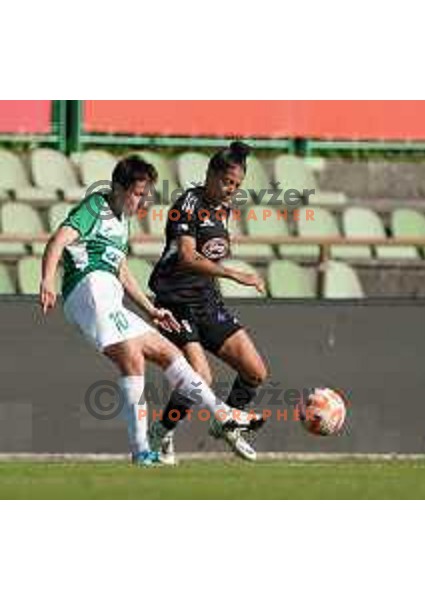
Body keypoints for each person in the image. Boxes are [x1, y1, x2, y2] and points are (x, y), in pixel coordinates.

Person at [40, 155, 263, 466]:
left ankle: (211, 417)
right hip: (89, 290)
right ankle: (144, 447)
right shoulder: (95, 207)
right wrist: (48, 279)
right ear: (118, 188)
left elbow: (121, 270)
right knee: (133, 357)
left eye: (146, 195)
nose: (142, 201)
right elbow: (58, 241)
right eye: (137, 193)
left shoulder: (122, 221)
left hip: (108, 295)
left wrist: (150, 310)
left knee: (168, 353)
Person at [147, 141, 269, 463]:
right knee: (201, 377)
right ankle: (162, 432)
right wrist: (233, 274)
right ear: (210, 175)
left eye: (237, 185)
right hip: (175, 303)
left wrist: (219, 279)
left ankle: (228, 427)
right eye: (227, 182)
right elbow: (187, 257)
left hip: (207, 301)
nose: (231, 189)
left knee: (255, 372)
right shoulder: (187, 203)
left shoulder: (223, 210)